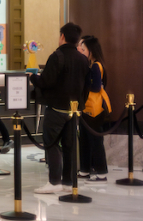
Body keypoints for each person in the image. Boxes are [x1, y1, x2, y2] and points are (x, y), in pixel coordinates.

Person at [29, 23, 91, 194]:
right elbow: (86, 85)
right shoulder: (83, 59)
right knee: (69, 145)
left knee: (52, 143)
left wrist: (33, 77)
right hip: (73, 110)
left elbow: (46, 81)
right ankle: (68, 181)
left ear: (62, 36)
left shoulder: (57, 56)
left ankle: (54, 181)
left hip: (56, 109)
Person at [77, 35, 110, 182]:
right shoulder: (92, 65)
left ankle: (101, 172)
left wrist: (83, 83)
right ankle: (84, 170)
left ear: (91, 50)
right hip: (87, 109)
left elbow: (96, 87)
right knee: (85, 140)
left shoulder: (96, 65)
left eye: (84, 49)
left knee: (96, 141)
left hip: (94, 110)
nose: (81, 52)